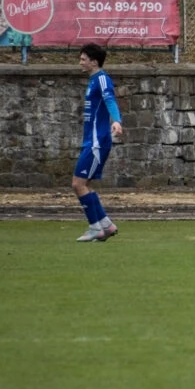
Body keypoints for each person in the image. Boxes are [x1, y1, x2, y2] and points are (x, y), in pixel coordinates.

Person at [72, 43, 126, 242]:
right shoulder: (94, 80)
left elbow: (110, 99)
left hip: (96, 142)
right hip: (92, 141)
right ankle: (106, 225)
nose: (80, 63)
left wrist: (117, 120)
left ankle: (95, 227)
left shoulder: (102, 79)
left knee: (78, 184)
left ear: (94, 62)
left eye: (83, 59)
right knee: (85, 184)